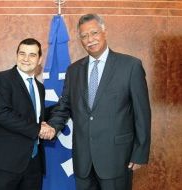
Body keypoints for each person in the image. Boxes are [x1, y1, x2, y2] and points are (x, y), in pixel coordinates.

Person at [40, 14, 151, 190]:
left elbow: (142, 113)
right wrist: (53, 126)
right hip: (83, 160)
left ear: (104, 31)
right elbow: (64, 107)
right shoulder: (73, 70)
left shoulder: (130, 66)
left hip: (116, 158)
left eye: (94, 33)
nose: (90, 39)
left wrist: (140, 152)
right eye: (84, 36)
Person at [0, 38, 47, 190]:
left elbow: (33, 116)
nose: (26, 59)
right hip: (6, 164)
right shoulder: (1, 79)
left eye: (32, 55)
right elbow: (2, 114)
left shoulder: (39, 88)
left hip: (33, 164)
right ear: (16, 55)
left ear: (39, 60)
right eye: (22, 53)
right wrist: (38, 129)